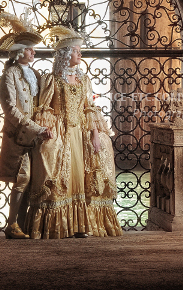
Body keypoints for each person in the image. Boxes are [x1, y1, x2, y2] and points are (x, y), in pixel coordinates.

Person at [24, 25, 123, 239]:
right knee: (59, 170)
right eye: (77, 51)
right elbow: (45, 108)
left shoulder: (84, 79)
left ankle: (84, 224)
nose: (80, 54)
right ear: (67, 54)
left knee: (91, 166)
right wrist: (49, 131)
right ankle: (61, 225)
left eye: (80, 51)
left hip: (81, 133)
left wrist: (96, 133)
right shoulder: (53, 80)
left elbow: (90, 108)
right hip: (62, 132)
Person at [0, 16, 53, 239]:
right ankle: (11, 224)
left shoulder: (35, 74)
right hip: (19, 135)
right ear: (19, 52)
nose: (34, 53)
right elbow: (11, 110)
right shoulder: (9, 74)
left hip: (36, 136)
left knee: (33, 179)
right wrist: (36, 128)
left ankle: (24, 223)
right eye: (30, 50)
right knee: (22, 178)